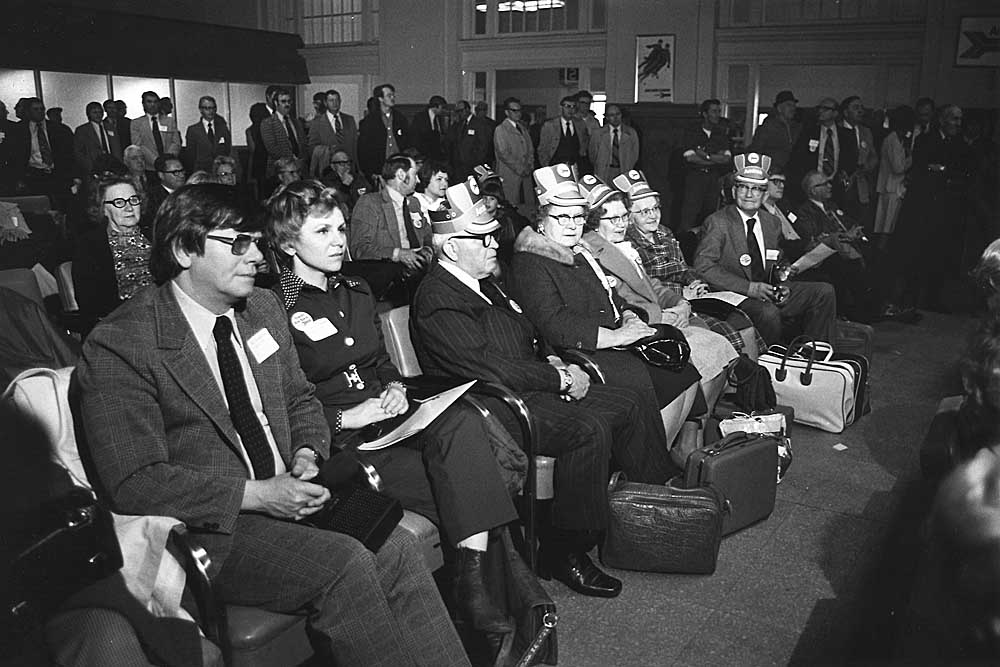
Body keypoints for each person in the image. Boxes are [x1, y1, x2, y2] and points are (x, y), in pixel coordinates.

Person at [75, 183, 471, 666]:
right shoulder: (122, 343)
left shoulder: (260, 308)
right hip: (212, 527)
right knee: (347, 565)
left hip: (290, 494)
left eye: (258, 242)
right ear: (183, 249)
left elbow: (302, 399)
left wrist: (307, 454)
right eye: (237, 242)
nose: (257, 257)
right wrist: (260, 495)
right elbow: (135, 483)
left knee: (396, 548)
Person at [265, 179, 521, 632]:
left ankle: (483, 608)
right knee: (471, 484)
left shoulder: (356, 288)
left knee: (461, 422)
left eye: (342, 229)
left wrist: (397, 389)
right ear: (288, 242)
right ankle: (497, 608)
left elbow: (381, 361)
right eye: (322, 232)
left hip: (391, 418)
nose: (340, 241)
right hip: (342, 442)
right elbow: (275, 405)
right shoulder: (273, 307)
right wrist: (344, 416)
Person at [411, 176, 679, 599]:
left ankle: (653, 509)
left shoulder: (486, 283)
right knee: (586, 429)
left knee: (627, 403)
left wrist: (552, 359)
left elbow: (527, 335)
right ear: (450, 247)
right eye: (481, 239)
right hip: (490, 406)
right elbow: (487, 367)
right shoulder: (439, 297)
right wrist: (558, 377)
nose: (494, 244)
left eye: (493, 236)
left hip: (527, 385)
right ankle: (564, 550)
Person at [509, 164, 704, 461]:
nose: (572, 224)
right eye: (561, 216)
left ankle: (658, 456)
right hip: (584, 350)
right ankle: (646, 463)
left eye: (578, 217)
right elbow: (554, 324)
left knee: (684, 370)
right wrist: (617, 336)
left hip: (614, 339)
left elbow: (613, 297)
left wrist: (629, 317)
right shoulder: (532, 262)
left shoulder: (579, 251)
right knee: (663, 379)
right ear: (541, 220)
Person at [579, 175, 736, 412]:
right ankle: (690, 431)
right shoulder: (591, 252)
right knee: (707, 352)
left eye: (623, 216)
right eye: (613, 219)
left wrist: (680, 303)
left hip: (661, 316)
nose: (622, 224)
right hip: (636, 331)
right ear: (594, 222)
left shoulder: (621, 244)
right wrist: (660, 316)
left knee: (720, 347)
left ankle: (696, 428)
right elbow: (620, 302)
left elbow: (650, 283)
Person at [617, 169, 765, 359]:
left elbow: (684, 268)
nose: (652, 216)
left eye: (655, 208)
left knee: (743, 322)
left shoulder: (665, 233)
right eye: (644, 211)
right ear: (629, 216)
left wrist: (697, 282)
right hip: (665, 306)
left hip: (692, 297)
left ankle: (752, 379)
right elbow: (645, 285)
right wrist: (682, 294)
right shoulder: (628, 243)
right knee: (726, 333)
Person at [693, 152, 837, 346]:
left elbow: (776, 260)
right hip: (733, 296)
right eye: (743, 187)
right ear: (734, 191)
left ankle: (813, 355)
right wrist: (750, 288)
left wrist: (781, 278)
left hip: (766, 290)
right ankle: (765, 365)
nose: (749, 194)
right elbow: (703, 267)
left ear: (765, 194)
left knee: (823, 292)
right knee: (768, 312)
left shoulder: (772, 223)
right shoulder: (718, 222)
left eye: (757, 189)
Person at [790, 170, 878, 323]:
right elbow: (815, 236)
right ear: (813, 190)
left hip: (849, 246)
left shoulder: (832, 205)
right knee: (846, 266)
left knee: (877, 255)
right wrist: (844, 235)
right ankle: (857, 315)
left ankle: (875, 307)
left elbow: (849, 222)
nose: (830, 186)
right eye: (824, 184)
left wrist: (854, 231)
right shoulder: (804, 211)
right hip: (828, 253)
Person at [72, 176, 153, 335]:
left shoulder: (156, 235)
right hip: (121, 327)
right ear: (103, 209)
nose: (129, 208)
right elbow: (91, 305)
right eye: (119, 202)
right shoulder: (89, 246)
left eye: (133, 200)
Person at [348, 154, 432, 278]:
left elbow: (427, 234)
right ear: (401, 175)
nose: (418, 180)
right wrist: (398, 254)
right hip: (389, 272)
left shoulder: (413, 203)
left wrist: (428, 250)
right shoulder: (370, 203)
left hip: (419, 270)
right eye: (415, 175)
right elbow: (360, 248)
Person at [787, 97, 858, 206]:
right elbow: (798, 158)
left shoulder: (846, 135)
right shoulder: (809, 132)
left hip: (836, 185)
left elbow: (852, 159)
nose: (820, 111)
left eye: (825, 109)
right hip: (813, 185)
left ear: (835, 113)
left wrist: (846, 174)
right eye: (819, 108)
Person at [678, 99, 733, 234]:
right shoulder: (692, 132)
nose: (717, 115)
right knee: (689, 214)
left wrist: (706, 156)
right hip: (695, 177)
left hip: (714, 178)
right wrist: (715, 158)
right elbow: (691, 157)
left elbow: (726, 158)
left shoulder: (721, 134)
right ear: (704, 114)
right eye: (714, 111)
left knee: (710, 214)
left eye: (719, 111)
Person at [873, 105, 915, 241]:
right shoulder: (892, 140)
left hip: (894, 188)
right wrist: (911, 158)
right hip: (891, 189)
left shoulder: (899, 139)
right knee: (886, 226)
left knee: (888, 225)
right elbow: (898, 168)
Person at [358, 84, 411, 185]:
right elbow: (363, 149)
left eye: (393, 95)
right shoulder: (369, 121)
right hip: (380, 168)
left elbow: (407, 141)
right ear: (380, 98)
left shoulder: (400, 118)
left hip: (399, 166)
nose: (393, 98)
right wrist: (370, 172)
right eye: (389, 95)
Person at [492, 97, 535, 212]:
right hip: (510, 174)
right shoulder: (501, 129)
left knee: (527, 208)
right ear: (507, 112)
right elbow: (503, 153)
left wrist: (529, 165)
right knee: (510, 206)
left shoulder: (522, 128)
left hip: (525, 174)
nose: (518, 113)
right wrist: (521, 168)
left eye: (519, 110)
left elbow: (530, 149)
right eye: (514, 110)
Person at [749, 90, 801, 172]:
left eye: (794, 106)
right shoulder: (767, 127)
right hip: (772, 172)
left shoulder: (797, 127)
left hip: (794, 172)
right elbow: (756, 151)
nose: (793, 108)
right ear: (779, 108)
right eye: (789, 105)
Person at [306, 89, 359, 169]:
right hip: (328, 169)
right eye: (331, 100)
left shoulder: (349, 119)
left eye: (337, 100)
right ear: (325, 103)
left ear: (340, 101)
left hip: (349, 167)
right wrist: (328, 150)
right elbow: (312, 148)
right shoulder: (317, 123)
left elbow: (355, 145)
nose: (335, 103)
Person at [588, 103, 638, 185]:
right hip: (604, 170)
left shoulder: (631, 133)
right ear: (607, 117)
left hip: (624, 169)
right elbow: (593, 154)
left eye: (617, 114)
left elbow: (635, 154)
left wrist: (628, 165)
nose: (615, 117)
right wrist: (600, 164)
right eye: (611, 115)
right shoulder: (598, 134)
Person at [260, 88, 304, 179]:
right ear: (276, 103)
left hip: (300, 169)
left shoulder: (296, 122)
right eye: (283, 101)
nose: (287, 104)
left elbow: (303, 143)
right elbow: (272, 148)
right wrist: (292, 159)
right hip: (279, 171)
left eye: (289, 101)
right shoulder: (268, 123)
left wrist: (301, 160)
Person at [130, 91, 179, 171]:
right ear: (143, 104)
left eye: (155, 102)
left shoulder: (169, 121)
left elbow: (176, 142)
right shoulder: (136, 123)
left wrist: (168, 159)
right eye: (149, 102)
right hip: (149, 167)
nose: (152, 105)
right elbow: (138, 145)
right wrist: (156, 161)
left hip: (169, 165)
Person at [74, 101, 123, 178]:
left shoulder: (111, 127)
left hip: (113, 167)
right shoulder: (82, 130)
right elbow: (79, 152)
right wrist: (90, 168)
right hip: (94, 168)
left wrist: (119, 166)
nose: (98, 115)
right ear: (88, 114)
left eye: (100, 112)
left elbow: (117, 147)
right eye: (94, 112)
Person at [185, 95, 232, 173]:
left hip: (220, 170)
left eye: (213, 108)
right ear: (200, 110)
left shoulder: (222, 128)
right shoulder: (193, 130)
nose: (211, 111)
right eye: (207, 108)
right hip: (201, 171)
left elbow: (227, 148)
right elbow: (191, 155)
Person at [537, 96, 587, 168]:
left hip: (574, 166)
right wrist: (545, 165)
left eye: (573, 107)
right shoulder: (550, 126)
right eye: (567, 106)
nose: (570, 109)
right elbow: (542, 149)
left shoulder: (580, 125)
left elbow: (584, 144)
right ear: (561, 108)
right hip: (554, 166)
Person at [318, 148, 370, 212]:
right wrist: (345, 187)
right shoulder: (327, 182)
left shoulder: (358, 178)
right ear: (333, 166)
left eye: (348, 163)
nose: (346, 167)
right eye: (342, 164)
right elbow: (335, 203)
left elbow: (366, 194)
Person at [410, 95, 448, 162]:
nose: (443, 110)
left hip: (436, 154)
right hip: (423, 154)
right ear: (436, 106)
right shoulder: (420, 117)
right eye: (442, 107)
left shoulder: (439, 118)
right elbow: (414, 136)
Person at [245, 102, 271, 196]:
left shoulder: (250, 130)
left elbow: (252, 149)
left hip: (258, 162)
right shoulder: (271, 128)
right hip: (271, 161)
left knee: (260, 193)